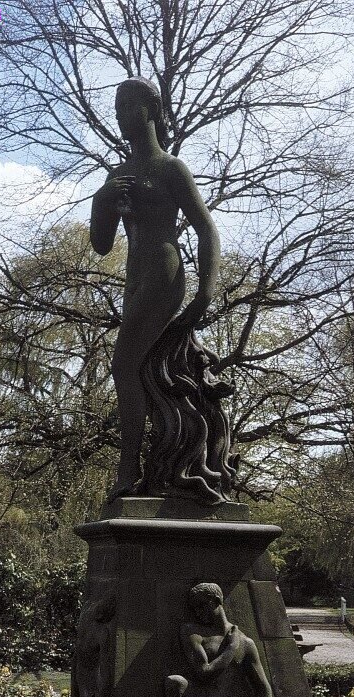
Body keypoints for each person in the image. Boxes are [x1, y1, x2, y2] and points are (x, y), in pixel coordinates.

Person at [90, 77, 221, 499]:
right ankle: (167, 461)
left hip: (164, 272)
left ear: (149, 110)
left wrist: (205, 292)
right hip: (133, 276)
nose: (120, 116)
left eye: (127, 107)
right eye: (116, 109)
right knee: (145, 370)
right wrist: (101, 201)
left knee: (123, 366)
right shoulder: (118, 175)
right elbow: (101, 245)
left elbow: (206, 229)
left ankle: (127, 471)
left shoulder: (170, 168)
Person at [165, 583, 273, 697]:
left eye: (202, 606)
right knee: (174, 682)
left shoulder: (246, 643)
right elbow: (204, 673)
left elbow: (263, 688)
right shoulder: (193, 633)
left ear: (216, 601)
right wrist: (231, 648)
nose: (198, 613)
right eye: (195, 609)